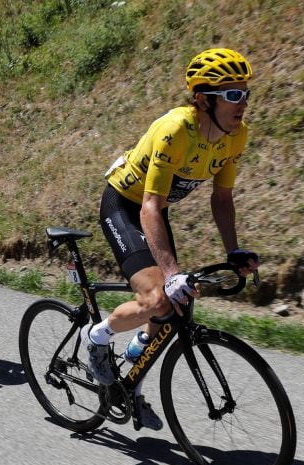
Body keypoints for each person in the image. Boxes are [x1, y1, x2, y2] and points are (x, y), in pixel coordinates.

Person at [85, 48, 260, 430]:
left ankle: (131, 382)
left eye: (246, 93)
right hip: (125, 206)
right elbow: (149, 207)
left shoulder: (236, 135)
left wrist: (234, 251)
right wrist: (171, 273)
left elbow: (222, 198)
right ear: (203, 99)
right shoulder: (176, 129)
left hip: (155, 211)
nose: (243, 102)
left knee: (174, 310)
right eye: (233, 94)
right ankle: (98, 337)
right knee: (160, 297)